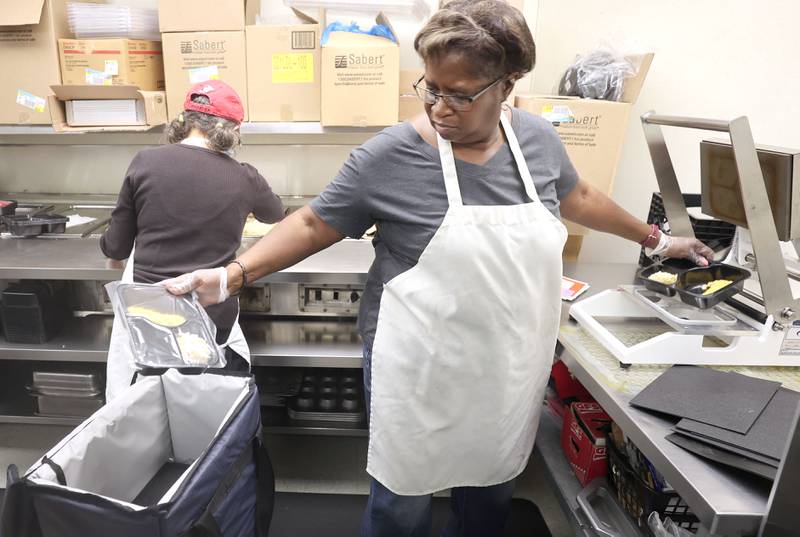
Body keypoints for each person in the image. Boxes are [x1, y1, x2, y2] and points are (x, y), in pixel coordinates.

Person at [165, 2, 713, 535]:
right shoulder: (391, 156)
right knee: (402, 501)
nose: (438, 107)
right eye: (430, 87)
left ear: (508, 83)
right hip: (417, 364)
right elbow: (312, 224)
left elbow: (580, 195)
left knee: (492, 487)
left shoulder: (538, 140)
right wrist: (229, 276)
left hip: (507, 362)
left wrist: (658, 240)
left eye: (459, 95)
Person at [101, 79, 284, 401]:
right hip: (210, 315)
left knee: (147, 402)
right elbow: (275, 214)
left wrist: (111, 252)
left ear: (183, 122)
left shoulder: (145, 161)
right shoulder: (244, 176)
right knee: (204, 402)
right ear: (231, 130)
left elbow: (116, 246)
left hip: (149, 314)